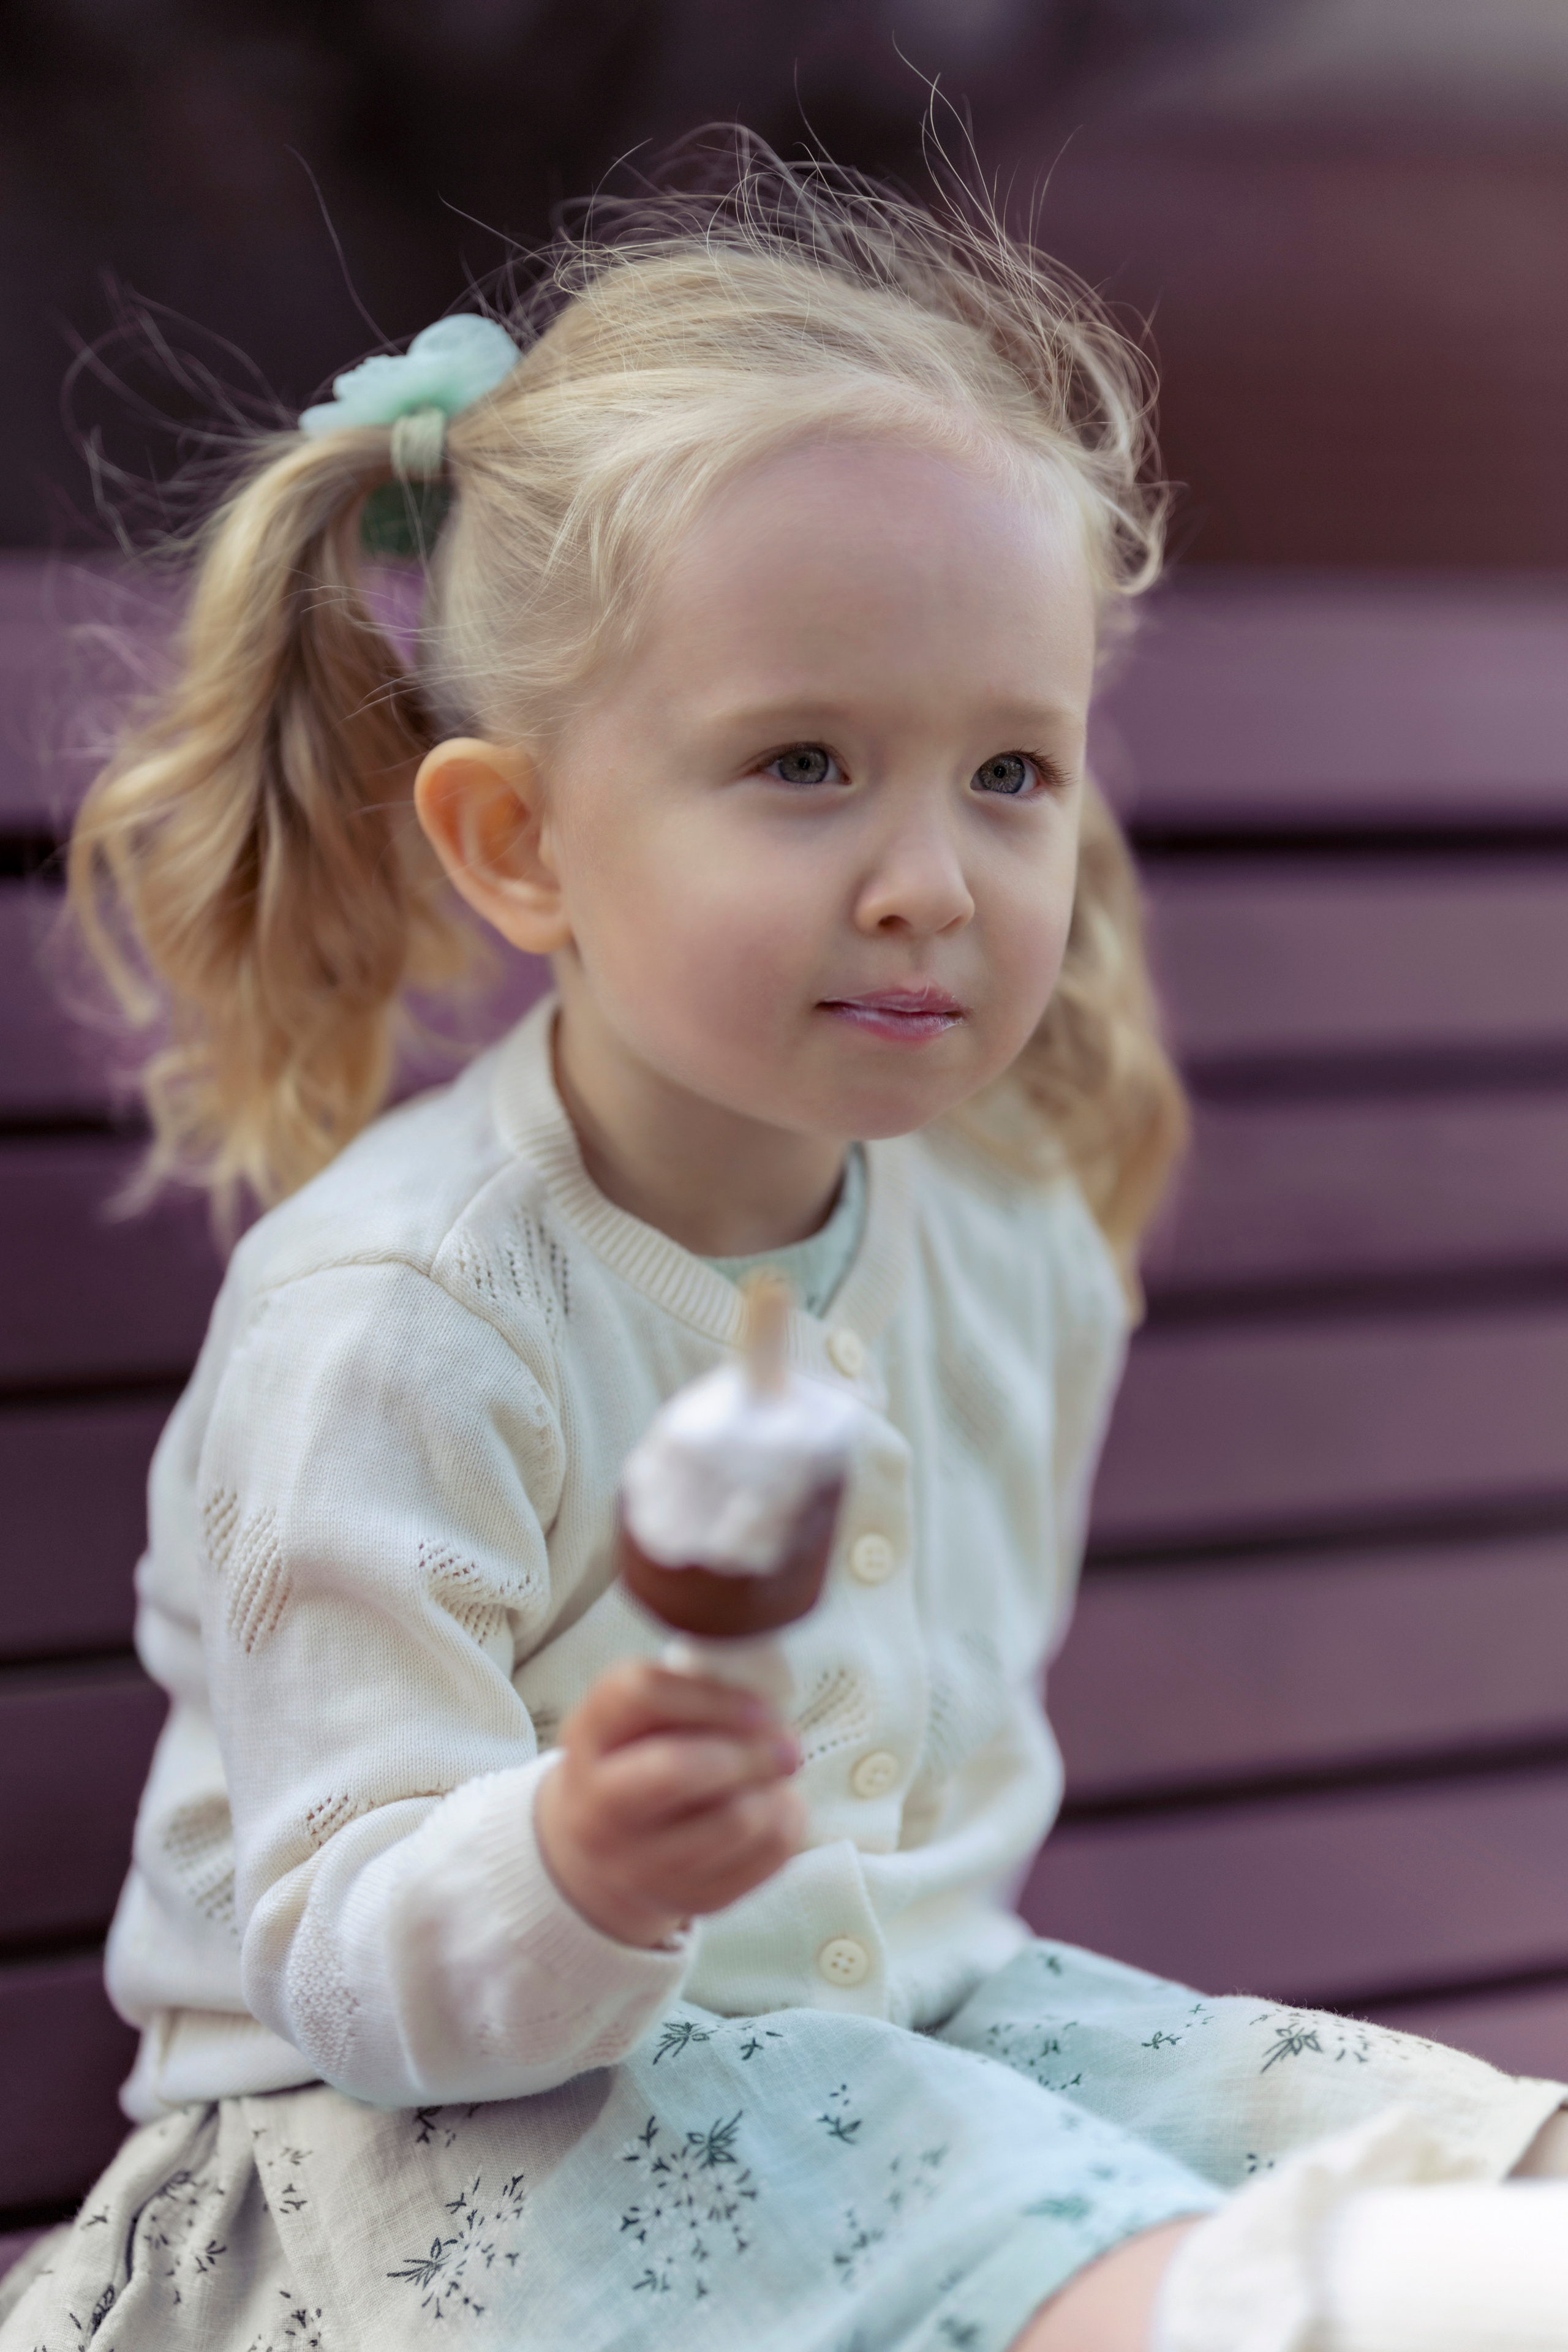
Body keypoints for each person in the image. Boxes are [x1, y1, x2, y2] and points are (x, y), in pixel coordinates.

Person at [7, 145, 1567, 2352]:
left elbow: (900, 1947)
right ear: (519, 841)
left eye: (1010, 773)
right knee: (1174, 2283)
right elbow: (346, 1956)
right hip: (431, 2161)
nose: (935, 878)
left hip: (911, 2058)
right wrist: (574, 1862)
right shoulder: (408, 1315)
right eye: (808, 761)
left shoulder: (1002, 1224)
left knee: (1483, 2156)